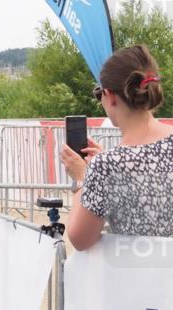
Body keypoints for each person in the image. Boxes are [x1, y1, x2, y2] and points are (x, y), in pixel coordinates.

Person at [61, 45, 173, 250]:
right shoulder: (109, 164)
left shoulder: (107, 166)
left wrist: (81, 178)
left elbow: (80, 239)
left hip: (138, 277)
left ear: (110, 96)